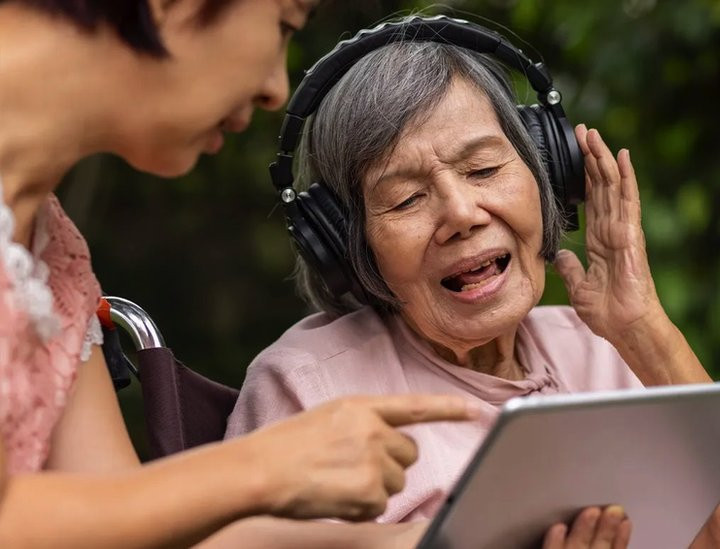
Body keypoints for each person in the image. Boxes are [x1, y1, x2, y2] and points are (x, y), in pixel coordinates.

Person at [226, 32, 720, 548]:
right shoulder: (309, 386)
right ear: (345, 245)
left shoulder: (599, 349)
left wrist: (645, 332)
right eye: (407, 198)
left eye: (484, 169)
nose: (462, 212)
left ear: (545, 178)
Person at [0, 2, 480, 547]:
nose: (276, 89)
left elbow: (112, 515)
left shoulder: (50, 244)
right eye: (283, 25)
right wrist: (262, 468)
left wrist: (425, 540)